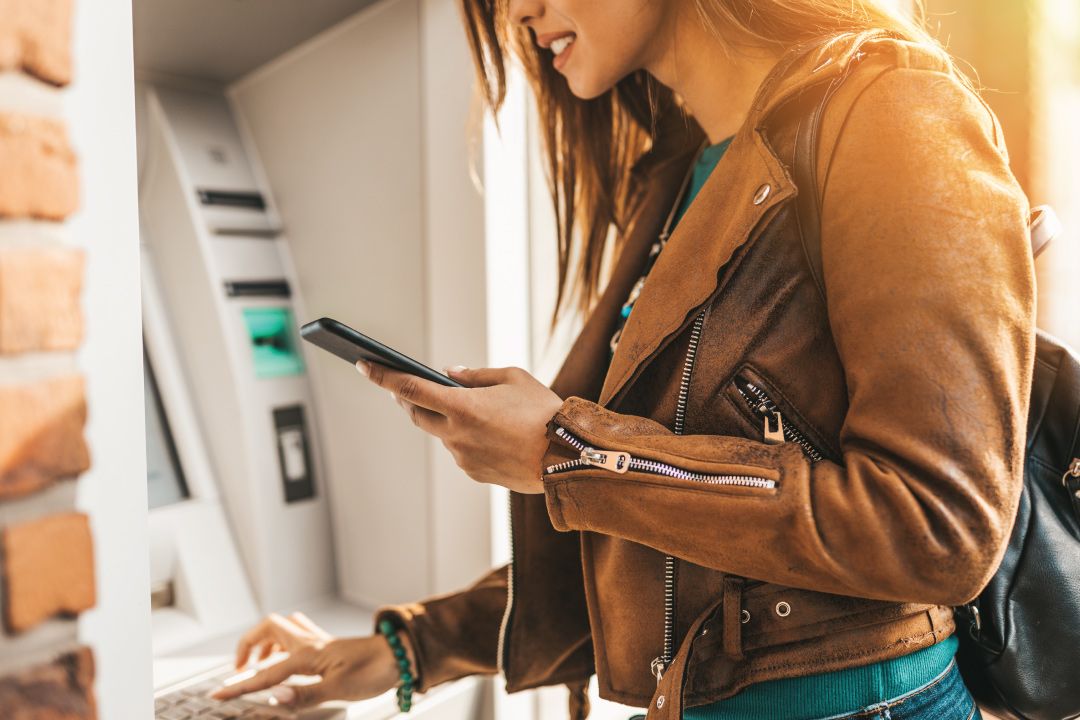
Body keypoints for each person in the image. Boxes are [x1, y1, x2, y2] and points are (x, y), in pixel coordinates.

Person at [212, 1, 1035, 718]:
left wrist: (565, 453)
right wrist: (413, 648)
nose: (519, 13)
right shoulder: (677, 175)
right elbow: (665, 531)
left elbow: (940, 527)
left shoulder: (894, 111)